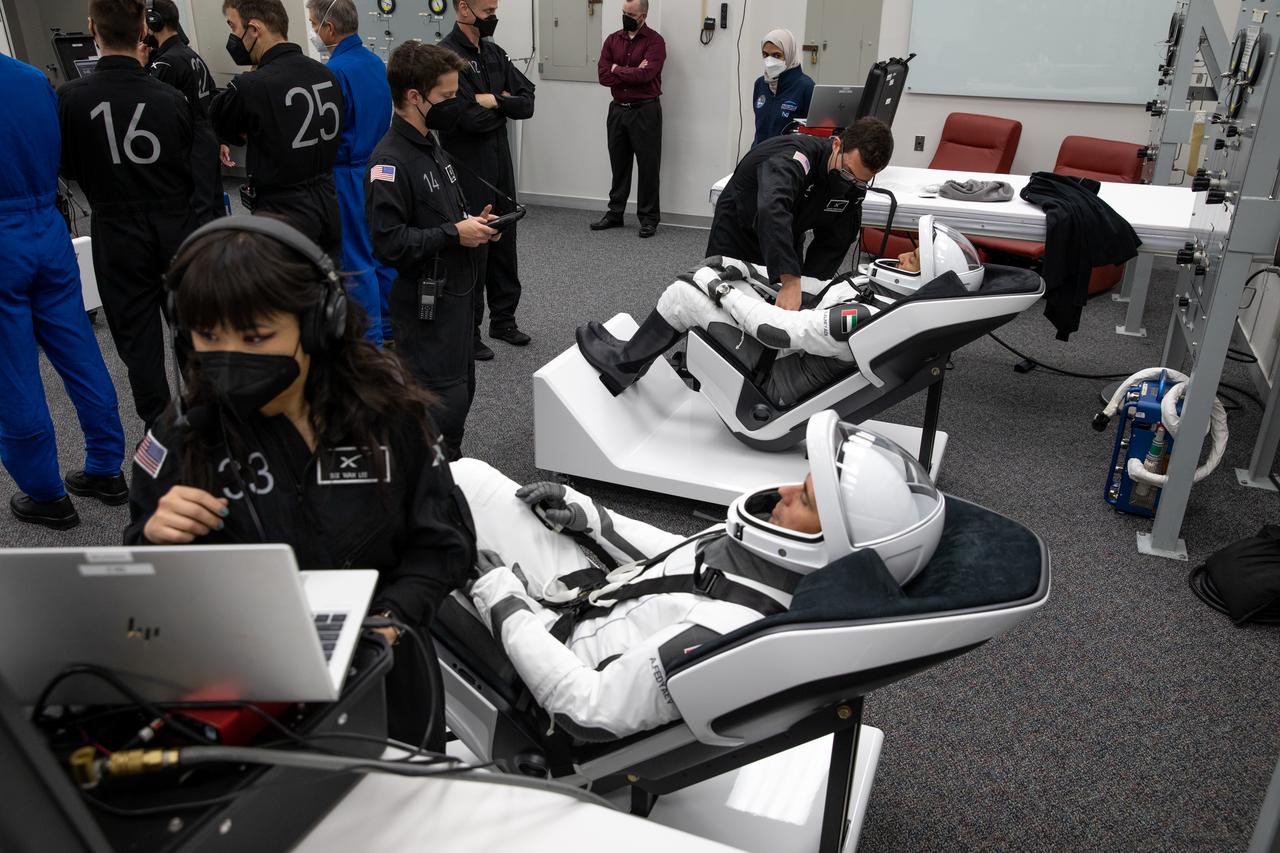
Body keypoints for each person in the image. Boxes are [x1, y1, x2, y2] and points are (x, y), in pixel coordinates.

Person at [124, 215, 477, 746]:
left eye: (256, 335)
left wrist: (389, 621)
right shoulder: (179, 438)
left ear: (318, 323)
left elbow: (445, 546)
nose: (230, 354)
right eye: (209, 335)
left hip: (385, 679)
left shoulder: (389, 413)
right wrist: (153, 541)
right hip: (250, 698)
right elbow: (136, 600)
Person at [455, 409, 944, 739]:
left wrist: (503, 600)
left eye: (807, 501)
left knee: (438, 524)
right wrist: (586, 515)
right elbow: (673, 559)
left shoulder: (731, 632)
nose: (785, 493)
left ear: (833, 543)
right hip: (589, 595)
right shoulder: (769, 559)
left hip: (557, 643)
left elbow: (589, 709)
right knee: (466, 475)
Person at [0, 52, 128, 531]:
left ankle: (46, 495)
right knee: (79, 351)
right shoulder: (34, 80)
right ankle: (106, 468)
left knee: (13, 375)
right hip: (47, 231)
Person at [58, 0, 197, 429]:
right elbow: (186, 156)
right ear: (143, 30)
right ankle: (209, 431)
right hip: (174, 226)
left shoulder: (69, 99)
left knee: (138, 344)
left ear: (91, 29)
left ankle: (160, 436)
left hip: (116, 229)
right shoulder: (171, 98)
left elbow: (69, 168)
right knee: (193, 332)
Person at [366, 42, 501, 461]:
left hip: (457, 304)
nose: (453, 104)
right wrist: (451, 234)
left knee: (461, 393)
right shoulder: (389, 162)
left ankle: (450, 472)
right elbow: (388, 244)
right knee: (436, 412)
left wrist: (472, 225)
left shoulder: (434, 147)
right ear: (414, 97)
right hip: (425, 315)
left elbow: (445, 216)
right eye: (445, 96)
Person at [707, 116, 895, 312]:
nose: (850, 183)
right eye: (847, 172)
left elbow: (836, 240)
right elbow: (773, 209)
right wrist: (789, 280)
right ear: (837, 145)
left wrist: (810, 291)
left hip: (786, 236)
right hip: (740, 230)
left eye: (861, 180)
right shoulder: (794, 156)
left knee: (786, 307)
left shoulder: (854, 185)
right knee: (724, 307)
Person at [439, 0, 537, 358]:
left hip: (500, 164)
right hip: (468, 167)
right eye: (487, 9)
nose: (493, 16)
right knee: (474, 248)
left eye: (495, 8)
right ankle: (470, 331)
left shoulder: (494, 53)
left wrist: (493, 101)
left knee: (504, 239)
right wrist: (503, 107)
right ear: (463, 9)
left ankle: (503, 320)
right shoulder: (445, 57)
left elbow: (527, 103)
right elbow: (467, 119)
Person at [210, 0, 344, 258]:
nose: (233, 37)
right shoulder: (326, 74)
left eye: (233, 26)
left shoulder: (253, 86)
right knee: (330, 284)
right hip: (329, 204)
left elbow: (221, 122)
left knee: (286, 291)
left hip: (282, 215)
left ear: (254, 29)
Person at [305, 0, 394, 346]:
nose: (313, 31)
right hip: (380, 169)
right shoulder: (375, 62)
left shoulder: (334, 71)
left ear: (329, 28)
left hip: (347, 174)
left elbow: (330, 131)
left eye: (313, 24)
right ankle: (389, 328)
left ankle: (368, 341)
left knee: (356, 259)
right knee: (381, 252)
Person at [591, 0, 666, 239]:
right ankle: (615, 213)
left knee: (648, 166)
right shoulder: (613, 40)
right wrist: (625, 71)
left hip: (645, 110)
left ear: (643, 16)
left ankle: (648, 218)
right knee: (619, 163)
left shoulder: (655, 42)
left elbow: (646, 75)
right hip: (618, 111)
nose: (625, 17)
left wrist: (617, 69)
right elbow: (603, 75)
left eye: (630, 14)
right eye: (623, 12)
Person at [145, 0, 224, 224]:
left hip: (188, 143)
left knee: (197, 211)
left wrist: (141, 66)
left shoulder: (165, 64)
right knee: (213, 205)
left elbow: (148, 101)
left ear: (154, 22)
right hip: (206, 137)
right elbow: (212, 95)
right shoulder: (191, 54)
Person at [751, 29, 814, 148]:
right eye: (765, 55)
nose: (770, 60)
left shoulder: (806, 87)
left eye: (776, 55)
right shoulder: (760, 84)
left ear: (789, 53)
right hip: (759, 156)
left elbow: (812, 136)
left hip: (787, 161)